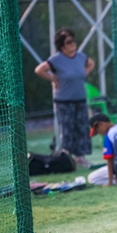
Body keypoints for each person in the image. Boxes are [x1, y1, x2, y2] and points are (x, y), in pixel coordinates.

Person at [34, 28, 95, 167]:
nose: (72, 44)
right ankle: (66, 158)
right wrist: (53, 79)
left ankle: (80, 157)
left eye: (73, 41)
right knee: (67, 129)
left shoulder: (81, 57)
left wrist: (84, 73)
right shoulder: (56, 60)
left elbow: (91, 63)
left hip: (80, 98)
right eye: (69, 42)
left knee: (82, 128)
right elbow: (39, 69)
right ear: (61, 45)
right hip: (64, 100)